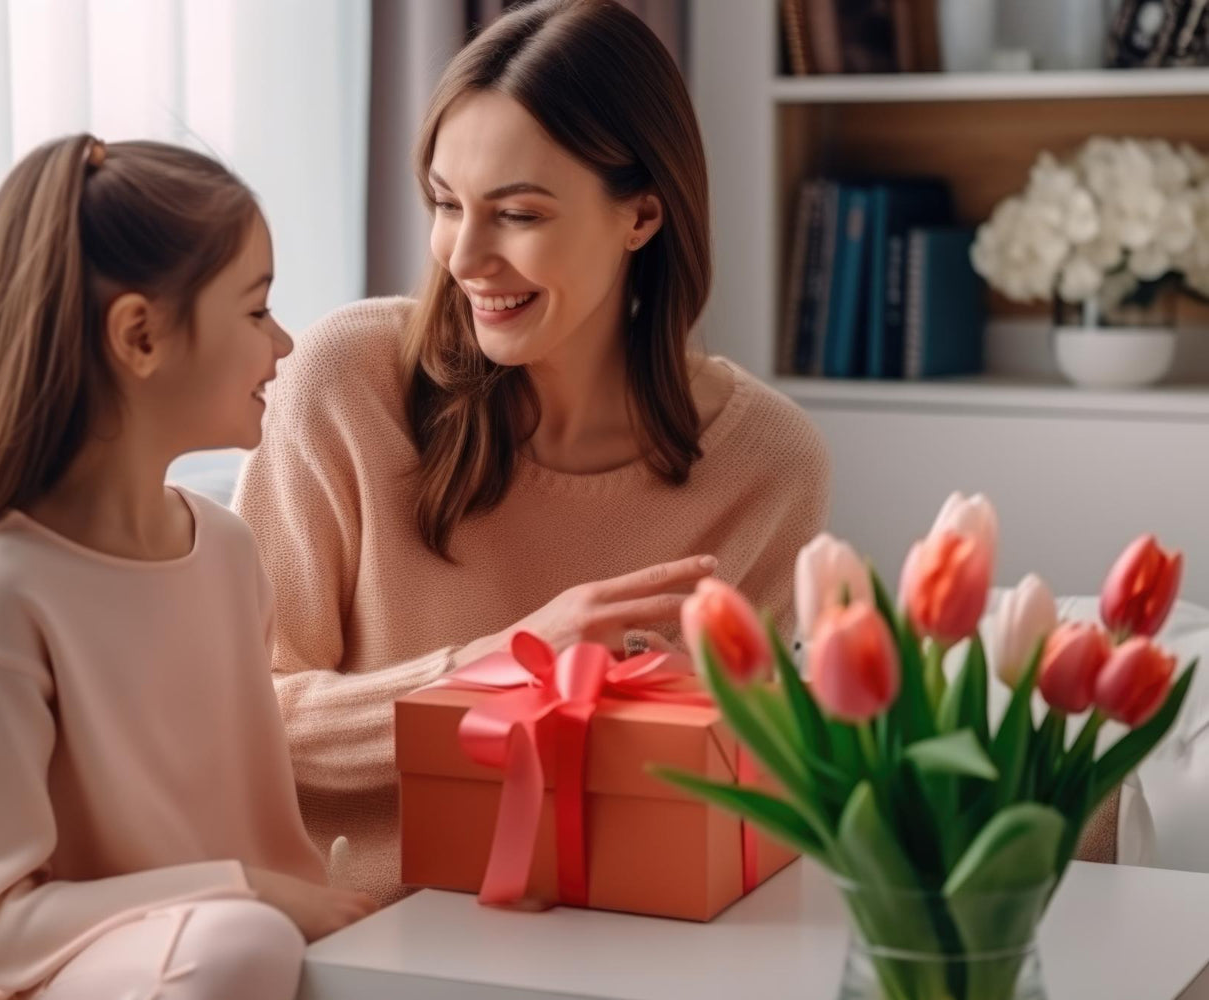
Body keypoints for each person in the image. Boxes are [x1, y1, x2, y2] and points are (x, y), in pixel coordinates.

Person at [234, 0, 832, 907]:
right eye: (445, 205)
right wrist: (502, 667)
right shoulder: (347, 382)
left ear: (641, 215)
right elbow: (242, 721)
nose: (464, 256)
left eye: (516, 214)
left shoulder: (767, 465)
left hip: (619, 935)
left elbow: (725, 795)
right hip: (350, 934)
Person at [0, 135, 375, 1000]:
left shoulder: (227, 551)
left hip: (228, 956)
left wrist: (313, 911)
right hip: (30, 981)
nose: (287, 342)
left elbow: (271, 849)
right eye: (256, 310)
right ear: (140, 334)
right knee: (239, 943)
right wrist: (242, 891)